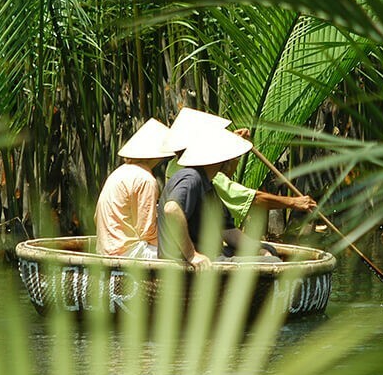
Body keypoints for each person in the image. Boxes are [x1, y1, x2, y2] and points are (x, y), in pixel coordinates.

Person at [161, 107, 318, 227]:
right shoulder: (194, 175)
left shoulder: (175, 165)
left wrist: (232, 148)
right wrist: (294, 202)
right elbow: (252, 199)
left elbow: (224, 175)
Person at [158, 126, 274, 268]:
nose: (232, 162)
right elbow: (171, 209)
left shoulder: (208, 186)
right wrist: (192, 255)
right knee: (271, 262)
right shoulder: (191, 177)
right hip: (188, 263)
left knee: (269, 251)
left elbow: (228, 231)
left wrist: (259, 250)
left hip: (212, 255)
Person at [95, 118, 172, 258]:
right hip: (127, 251)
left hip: (107, 248)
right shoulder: (146, 180)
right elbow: (147, 231)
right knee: (182, 254)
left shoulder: (120, 172)